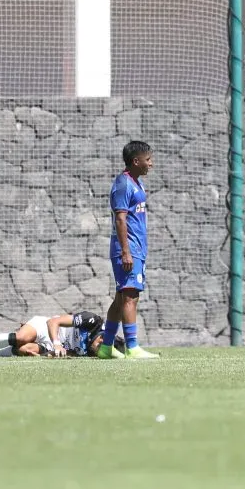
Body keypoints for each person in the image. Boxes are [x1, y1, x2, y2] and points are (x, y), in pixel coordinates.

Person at [99, 141, 157, 359]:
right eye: (148, 159)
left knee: (121, 298)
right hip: (128, 248)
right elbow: (120, 219)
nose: (151, 164)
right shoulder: (124, 184)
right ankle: (132, 347)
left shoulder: (136, 183)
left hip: (136, 248)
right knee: (131, 297)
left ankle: (106, 347)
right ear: (136, 161)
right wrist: (126, 252)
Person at [0, 312, 123, 358]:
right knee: (21, 337)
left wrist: (57, 354)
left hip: (50, 346)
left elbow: (72, 352)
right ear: (103, 335)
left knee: (25, 349)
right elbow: (53, 322)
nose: (99, 346)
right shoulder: (92, 321)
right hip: (45, 328)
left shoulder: (96, 354)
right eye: (102, 342)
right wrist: (56, 343)